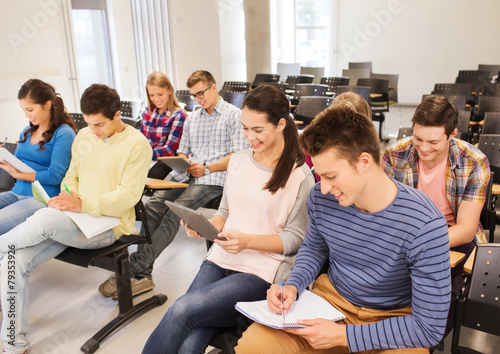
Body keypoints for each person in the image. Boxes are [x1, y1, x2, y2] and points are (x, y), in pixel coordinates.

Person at [235, 104, 451, 353]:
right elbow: (314, 248)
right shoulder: (320, 197)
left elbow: (428, 328)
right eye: (320, 175)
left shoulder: (425, 224)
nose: (323, 187)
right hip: (331, 302)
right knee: (253, 347)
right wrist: (293, 285)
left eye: (331, 176)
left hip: (393, 317)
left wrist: (344, 336)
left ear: (364, 162)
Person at [142, 84, 315, 353]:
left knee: (182, 309)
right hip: (221, 257)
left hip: (261, 270)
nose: (249, 137)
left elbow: (295, 239)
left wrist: (248, 241)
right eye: (245, 128)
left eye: (258, 130)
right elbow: (225, 211)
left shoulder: (300, 175)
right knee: (192, 331)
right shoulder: (238, 161)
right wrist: (208, 227)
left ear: (281, 124)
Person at [0, 84, 152, 353]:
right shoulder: (84, 136)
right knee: (14, 258)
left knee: (44, 218)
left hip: (109, 225)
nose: (93, 131)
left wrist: (82, 204)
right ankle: (14, 343)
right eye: (89, 124)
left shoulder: (138, 145)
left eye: (99, 124)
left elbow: (127, 197)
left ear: (118, 115)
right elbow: (71, 176)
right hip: (74, 220)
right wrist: (70, 198)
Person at [98, 70, 249, 299]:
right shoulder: (193, 117)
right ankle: (143, 276)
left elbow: (238, 156)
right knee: (151, 207)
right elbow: (182, 150)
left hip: (213, 177)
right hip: (185, 174)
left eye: (201, 93)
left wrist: (207, 167)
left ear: (214, 87)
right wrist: (184, 161)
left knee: (173, 214)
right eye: (194, 95)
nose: (198, 99)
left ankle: (132, 269)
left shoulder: (234, 115)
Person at [381, 95, 490, 333]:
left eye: (433, 142)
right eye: (418, 138)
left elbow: (467, 228)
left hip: (453, 236)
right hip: (405, 232)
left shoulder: (474, 161)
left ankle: (426, 339)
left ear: (452, 135)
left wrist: (422, 245)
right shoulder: (395, 153)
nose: (424, 148)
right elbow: (384, 211)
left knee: (443, 289)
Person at [0, 79, 76, 234]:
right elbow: (21, 163)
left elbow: (55, 176)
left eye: (30, 109)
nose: (26, 115)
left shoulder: (63, 133)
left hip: (41, 197)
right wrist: (5, 157)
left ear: (47, 105)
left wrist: (18, 174)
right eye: (23, 110)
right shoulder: (27, 131)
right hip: (16, 191)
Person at [140, 71, 187, 179]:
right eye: (151, 95)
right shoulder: (147, 112)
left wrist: (145, 154)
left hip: (164, 163)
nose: (156, 99)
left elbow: (169, 150)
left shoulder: (179, 116)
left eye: (160, 94)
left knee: (146, 177)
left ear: (169, 90)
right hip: (146, 158)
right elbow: (141, 140)